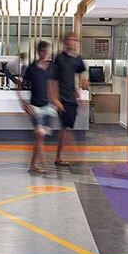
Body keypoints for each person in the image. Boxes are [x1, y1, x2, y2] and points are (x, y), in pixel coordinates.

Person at [49, 33, 89, 166]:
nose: (72, 43)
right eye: (70, 40)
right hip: (62, 97)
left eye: (75, 40)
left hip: (72, 97)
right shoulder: (60, 58)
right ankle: (60, 156)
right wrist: (55, 99)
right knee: (65, 127)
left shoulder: (77, 59)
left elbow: (81, 75)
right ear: (65, 42)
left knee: (67, 127)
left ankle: (65, 154)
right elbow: (53, 80)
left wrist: (80, 93)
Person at [17, 41, 56, 174]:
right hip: (35, 106)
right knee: (39, 134)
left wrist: (55, 101)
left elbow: (52, 86)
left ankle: (33, 165)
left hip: (48, 106)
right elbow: (20, 84)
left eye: (46, 51)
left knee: (41, 137)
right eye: (43, 51)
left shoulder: (50, 68)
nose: (45, 54)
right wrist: (22, 102)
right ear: (39, 52)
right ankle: (43, 164)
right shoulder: (32, 68)